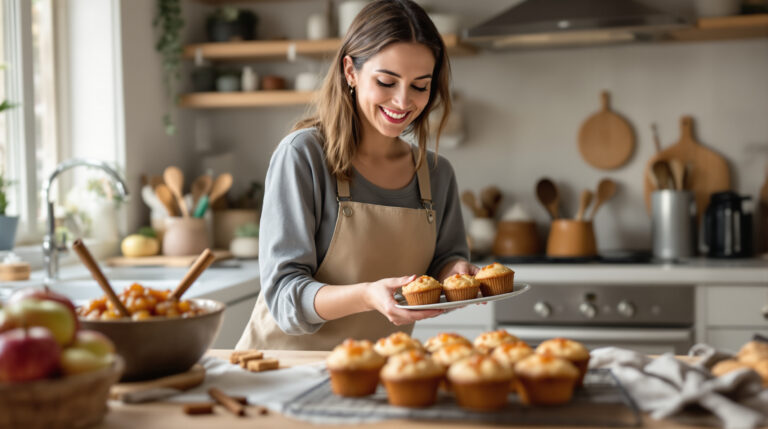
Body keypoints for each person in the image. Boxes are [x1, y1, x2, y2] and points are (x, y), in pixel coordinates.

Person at [236, 0, 477, 351]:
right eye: (386, 81)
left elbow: (443, 262)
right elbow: (285, 297)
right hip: (283, 371)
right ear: (350, 71)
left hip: (375, 372)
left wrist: (455, 272)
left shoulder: (437, 175)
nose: (402, 101)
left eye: (420, 86)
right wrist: (367, 295)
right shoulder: (303, 156)